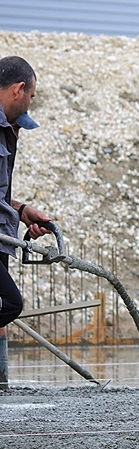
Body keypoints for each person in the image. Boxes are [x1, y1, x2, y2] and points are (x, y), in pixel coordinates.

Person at [0, 56, 53, 390]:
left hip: (1, 237)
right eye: (30, 97)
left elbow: (2, 194)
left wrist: (22, 212)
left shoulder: (6, 131)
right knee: (10, 303)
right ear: (20, 89)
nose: (28, 106)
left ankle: (1, 382)